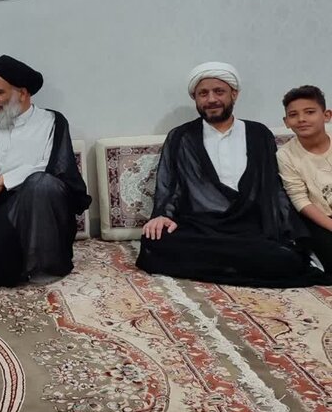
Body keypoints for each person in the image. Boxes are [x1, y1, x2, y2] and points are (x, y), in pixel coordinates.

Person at [137, 62, 323, 286]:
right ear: (195, 98)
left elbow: (273, 186)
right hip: (200, 225)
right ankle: (244, 263)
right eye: (203, 93)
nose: (211, 99)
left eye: (219, 91)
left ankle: (226, 262)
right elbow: (170, 184)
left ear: (234, 94)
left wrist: (289, 229)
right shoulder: (181, 136)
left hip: (250, 226)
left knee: (287, 256)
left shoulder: (258, 133)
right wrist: (161, 215)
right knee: (153, 241)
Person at [0, 56, 90, 286]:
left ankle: (44, 265)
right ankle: (18, 262)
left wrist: (3, 180)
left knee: (40, 183)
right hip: (3, 209)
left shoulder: (52, 121)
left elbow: (54, 167)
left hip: (44, 207)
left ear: (23, 93)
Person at [277, 85, 332, 272]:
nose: (301, 119)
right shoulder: (286, 155)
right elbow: (300, 199)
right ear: (286, 122)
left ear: (326, 115)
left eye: (309, 112)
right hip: (320, 217)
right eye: (293, 115)